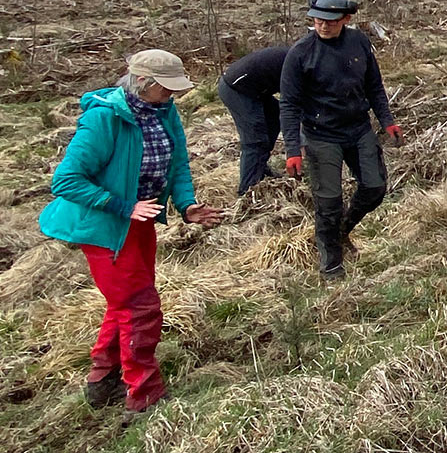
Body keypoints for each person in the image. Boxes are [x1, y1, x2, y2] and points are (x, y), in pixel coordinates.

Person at [38, 49, 223, 416]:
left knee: (126, 301)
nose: (173, 96)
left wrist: (186, 206)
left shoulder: (164, 111)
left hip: (140, 220)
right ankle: (144, 394)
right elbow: (66, 181)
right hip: (104, 227)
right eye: (166, 89)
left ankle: (102, 378)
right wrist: (123, 207)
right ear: (142, 83)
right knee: (140, 306)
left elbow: (178, 161)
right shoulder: (104, 119)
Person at [280, 0, 401, 279]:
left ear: (346, 19)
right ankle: (331, 265)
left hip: (358, 129)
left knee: (375, 188)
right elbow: (289, 104)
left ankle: (342, 231)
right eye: (318, 20)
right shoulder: (300, 53)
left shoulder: (359, 43)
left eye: (331, 22)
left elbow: (374, 85)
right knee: (328, 202)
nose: (323, 26)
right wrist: (293, 149)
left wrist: (387, 121)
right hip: (321, 135)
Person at [218, 44, 290, 195]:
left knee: (273, 117)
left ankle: (260, 169)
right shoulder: (296, 63)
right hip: (236, 89)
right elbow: (292, 106)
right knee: (255, 140)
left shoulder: (304, 58)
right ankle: (248, 190)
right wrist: (299, 145)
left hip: (255, 89)